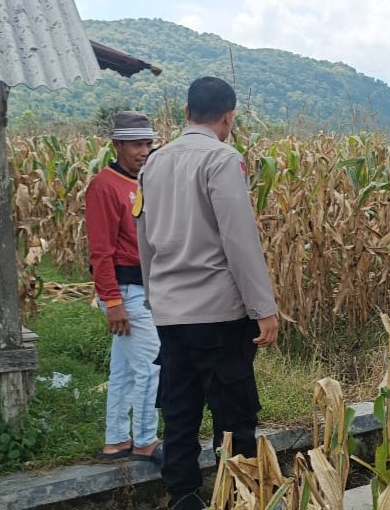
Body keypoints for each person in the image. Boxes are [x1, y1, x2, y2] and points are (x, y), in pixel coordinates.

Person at [136, 76, 279, 510]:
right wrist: (264, 308)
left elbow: (144, 241)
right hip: (218, 314)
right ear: (229, 116)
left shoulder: (152, 164)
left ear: (185, 113)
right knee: (234, 416)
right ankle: (238, 495)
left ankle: (182, 496)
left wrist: (153, 297)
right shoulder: (222, 159)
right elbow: (239, 241)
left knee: (179, 411)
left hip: (171, 315)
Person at [85, 111, 163, 463]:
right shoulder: (104, 186)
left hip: (140, 288)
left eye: (148, 143)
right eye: (136, 144)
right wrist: (112, 301)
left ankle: (116, 440)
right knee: (152, 365)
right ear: (116, 145)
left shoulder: (141, 180)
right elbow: (100, 251)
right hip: (125, 290)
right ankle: (146, 440)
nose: (144, 150)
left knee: (125, 370)